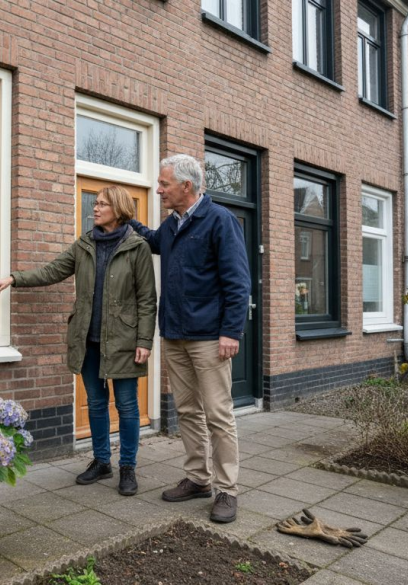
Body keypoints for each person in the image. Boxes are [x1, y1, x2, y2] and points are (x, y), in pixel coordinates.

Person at [0, 186, 156, 496]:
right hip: (87, 339)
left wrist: (145, 340)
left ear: (118, 209)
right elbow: (53, 270)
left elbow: (147, 299)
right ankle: (102, 461)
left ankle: (127, 466)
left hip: (124, 341)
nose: (96, 208)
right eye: (96, 203)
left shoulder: (137, 246)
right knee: (96, 403)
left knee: (128, 407)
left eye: (102, 204)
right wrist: (13, 278)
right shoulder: (85, 244)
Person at [129, 154, 250, 523]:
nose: (158, 189)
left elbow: (238, 281)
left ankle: (227, 489)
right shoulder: (171, 225)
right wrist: (126, 218)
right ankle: (199, 479)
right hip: (175, 333)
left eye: (164, 184)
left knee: (218, 414)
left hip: (210, 337)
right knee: (186, 411)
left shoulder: (219, 220)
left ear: (186, 185)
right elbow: (153, 241)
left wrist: (232, 330)